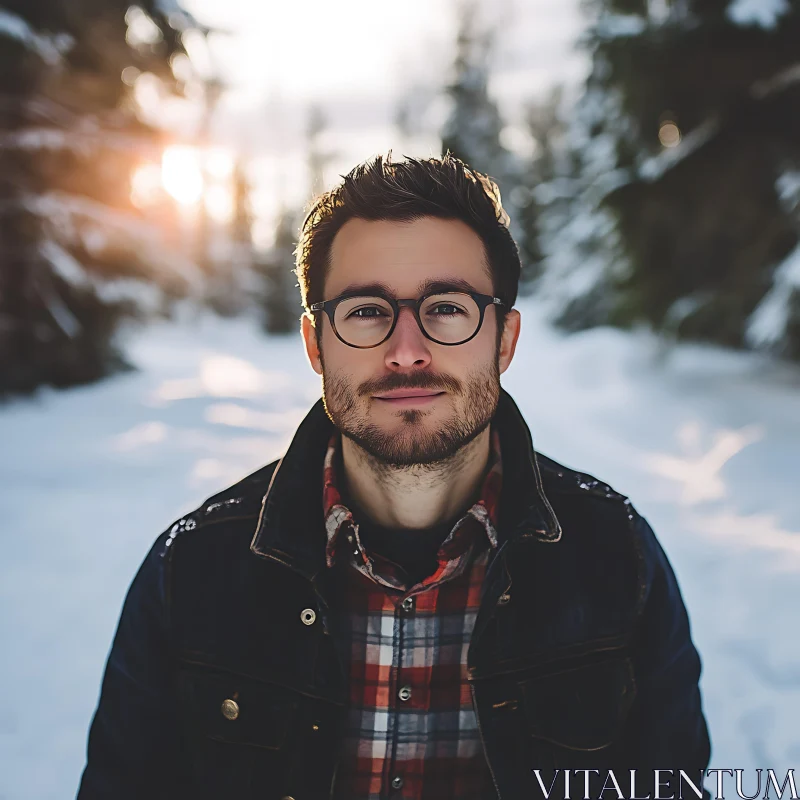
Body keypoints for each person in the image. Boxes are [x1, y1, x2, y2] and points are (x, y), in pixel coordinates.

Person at [77, 154, 711, 800]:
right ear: (315, 346)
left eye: (447, 307)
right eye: (365, 311)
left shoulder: (617, 562)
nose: (407, 350)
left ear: (505, 341)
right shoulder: (190, 572)